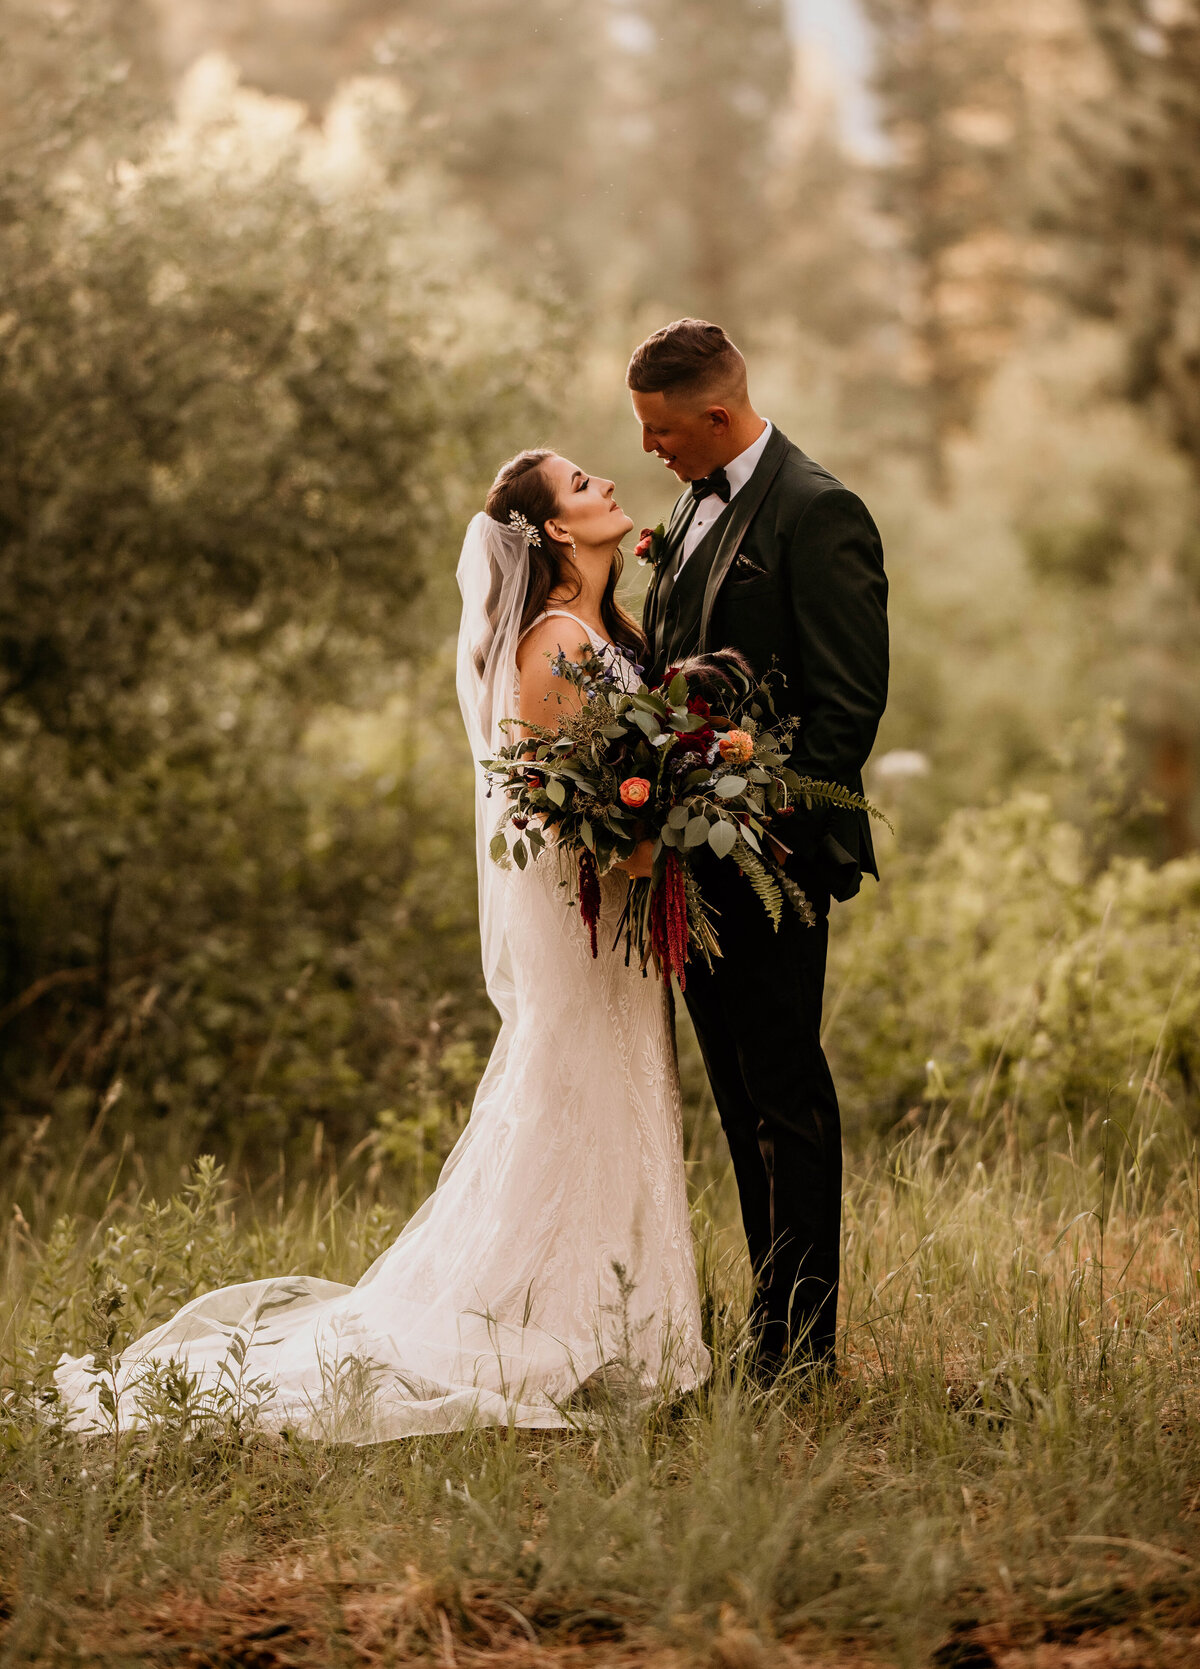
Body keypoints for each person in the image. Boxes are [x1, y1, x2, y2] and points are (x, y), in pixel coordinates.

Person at [55, 449, 708, 1442]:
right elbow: (553, 809)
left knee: (605, 1096)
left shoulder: (601, 631)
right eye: (582, 487)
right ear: (556, 534)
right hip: (586, 926)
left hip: (611, 928)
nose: (606, 487)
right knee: (572, 1097)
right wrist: (646, 840)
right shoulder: (547, 647)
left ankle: (601, 1318)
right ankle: (546, 1325)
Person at [628, 317, 889, 1379]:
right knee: (738, 1100)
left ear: (719, 416)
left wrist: (752, 813)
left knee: (788, 1095)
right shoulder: (692, 501)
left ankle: (807, 1348)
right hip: (692, 859)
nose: (650, 448)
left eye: (661, 429)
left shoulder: (820, 512)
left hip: (772, 856)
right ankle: (768, 1330)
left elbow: (846, 708)